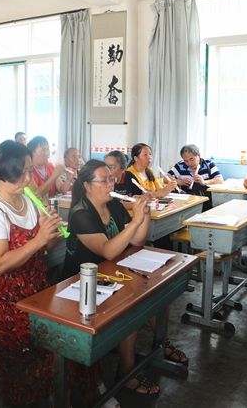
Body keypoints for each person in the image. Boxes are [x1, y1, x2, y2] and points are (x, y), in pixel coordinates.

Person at [0, 140, 91, 406]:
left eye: (30, 170)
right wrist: (39, 240)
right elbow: (0, 263)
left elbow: (43, 250)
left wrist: (51, 234)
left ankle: (66, 392)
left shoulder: (27, 198)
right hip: (7, 299)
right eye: (25, 172)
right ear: (8, 172)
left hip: (37, 287)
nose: (30, 178)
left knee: (74, 333)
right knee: (50, 344)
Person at [62, 160, 166, 398]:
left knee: (148, 293)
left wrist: (144, 215)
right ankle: (127, 372)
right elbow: (107, 251)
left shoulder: (114, 205)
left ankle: (147, 355)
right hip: (80, 283)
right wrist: (135, 221)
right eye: (105, 180)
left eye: (112, 179)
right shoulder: (80, 213)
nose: (112, 184)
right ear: (87, 185)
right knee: (130, 304)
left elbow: (137, 241)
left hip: (109, 273)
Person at [27, 135, 65, 201]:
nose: (47, 153)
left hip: (51, 205)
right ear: (33, 152)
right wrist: (54, 176)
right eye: (43, 150)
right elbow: (36, 196)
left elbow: (62, 189)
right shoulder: (27, 171)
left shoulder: (50, 166)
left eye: (48, 149)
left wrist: (69, 179)